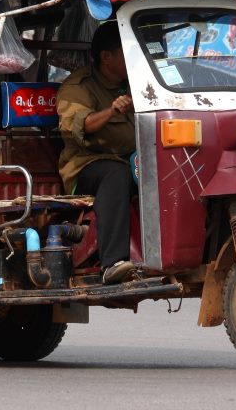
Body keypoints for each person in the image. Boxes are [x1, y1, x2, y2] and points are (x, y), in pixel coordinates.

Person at [57, 21, 135, 284]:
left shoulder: (138, 82)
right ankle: (113, 263)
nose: (134, 59)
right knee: (116, 173)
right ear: (106, 57)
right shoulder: (78, 86)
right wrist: (112, 111)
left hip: (134, 160)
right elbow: (80, 125)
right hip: (86, 167)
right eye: (127, 52)